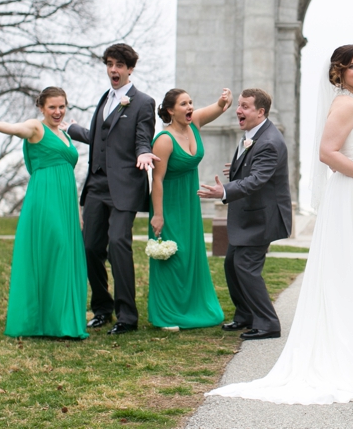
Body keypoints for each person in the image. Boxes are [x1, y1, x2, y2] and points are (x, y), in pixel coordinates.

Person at [206, 46, 353, 404]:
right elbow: (327, 153)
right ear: (339, 73)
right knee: (347, 268)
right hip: (351, 192)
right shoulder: (345, 104)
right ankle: (348, 348)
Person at [0, 88, 88, 339]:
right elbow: (14, 128)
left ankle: (60, 322)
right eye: (52, 107)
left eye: (62, 106)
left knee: (65, 256)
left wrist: (77, 210)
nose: (58, 112)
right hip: (44, 199)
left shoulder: (64, 134)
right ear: (41, 108)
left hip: (66, 201)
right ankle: (40, 321)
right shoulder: (35, 127)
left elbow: (70, 173)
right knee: (55, 249)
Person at [68, 44, 158, 335]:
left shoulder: (143, 102)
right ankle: (103, 308)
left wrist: (144, 153)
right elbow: (99, 136)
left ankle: (127, 317)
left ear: (130, 68)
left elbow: (143, 137)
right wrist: (73, 129)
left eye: (119, 65)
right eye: (109, 64)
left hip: (124, 187)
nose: (113, 70)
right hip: (96, 184)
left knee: (118, 244)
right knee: (90, 247)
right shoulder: (104, 99)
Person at [197, 88, 292, 340]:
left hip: (262, 217)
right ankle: (245, 315)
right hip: (250, 216)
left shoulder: (270, 141)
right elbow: (254, 169)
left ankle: (268, 323)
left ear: (260, 112)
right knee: (231, 264)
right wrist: (239, 167)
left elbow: (258, 180)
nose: (238, 110)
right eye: (239, 105)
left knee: (245, 267)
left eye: (245, 106)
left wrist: (223, 191)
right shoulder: (254, 134)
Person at [147, 87, 233, 330]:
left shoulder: (194, 123)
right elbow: (157, 180)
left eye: (191, 102)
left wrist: (223, 99)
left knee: (190, 256)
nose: (190, 108)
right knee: (173, 257)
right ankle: (168, 315)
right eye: (183, 104)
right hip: (169, 203)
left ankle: (192, 308)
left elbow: (217, 108)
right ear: (170, 111)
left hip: (189, 203)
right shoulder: (164, 140)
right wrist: (158, 215)